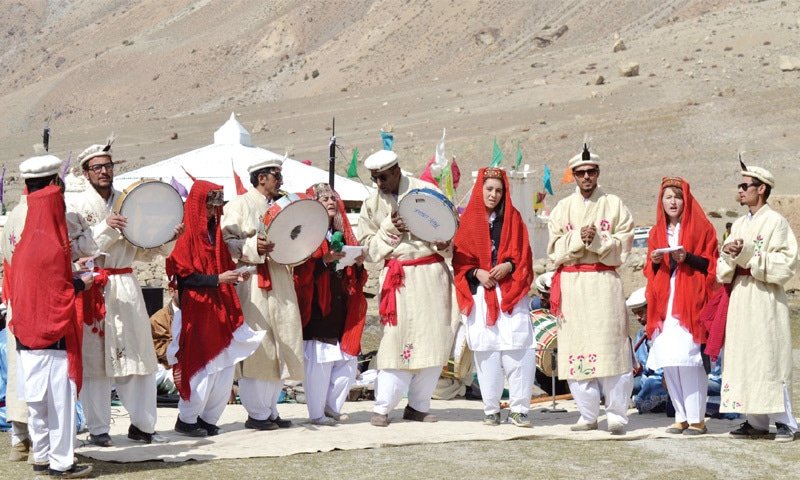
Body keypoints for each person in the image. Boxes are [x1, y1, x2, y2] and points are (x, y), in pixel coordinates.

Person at [66, 140, 183, 446]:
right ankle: (99, 430)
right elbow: (76, 250)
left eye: (108, 166)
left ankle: (144, 426)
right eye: (97, 167)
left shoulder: (130, 201)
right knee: (95, 365)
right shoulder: (75, 206)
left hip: (127, 287)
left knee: (140, 359)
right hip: (95, 288)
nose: (104, 171)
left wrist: (167, 237)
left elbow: (144, 250)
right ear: (85, 172)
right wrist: (107, 228)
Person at [1, 156, 97, 462]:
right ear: (54, 184)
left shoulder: (15, 215)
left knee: (27, 381)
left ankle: (26, 443)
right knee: (56, 389)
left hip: (23, 306)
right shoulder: (48, 218)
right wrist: (80, 282)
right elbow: (58, 266)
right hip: (49, 310)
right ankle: (56, 457)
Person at [357, 150, 459, 427]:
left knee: (435, 340)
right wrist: (391, 228)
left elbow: (451, 233)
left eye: (383, 177)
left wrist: (444, 244)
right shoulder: (370, 205)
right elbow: (368, 250)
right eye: (374, 178)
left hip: (432, 277)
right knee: (395, 342)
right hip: (399, 279)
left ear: (397, 170)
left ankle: (418, 406)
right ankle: (382, 407)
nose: (379, 183)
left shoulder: (428, 192)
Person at [547, 144, 634, 435]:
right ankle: (587, 412)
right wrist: (576, 239)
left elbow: (624, 247)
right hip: (573, 285)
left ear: (598, 173)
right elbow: (553, 251)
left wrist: (598, 240)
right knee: (577, 348)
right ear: (573, 175)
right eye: (580, 173)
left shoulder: (615, 205)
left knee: (610, 348)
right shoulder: (562, 209)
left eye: (591, 172)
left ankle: (617, 413)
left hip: (604, 283)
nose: (586, 177)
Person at [167, 181, 264, 437]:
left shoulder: (216, 235)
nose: (213, 211)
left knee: (224, 364)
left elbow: (219, 266)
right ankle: (187, 419)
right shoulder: (186, 236)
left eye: (216, 206)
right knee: (202, 363)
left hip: (219, 305)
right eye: (209, 206)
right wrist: (217, 280)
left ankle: (209, 418)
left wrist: (233, 277)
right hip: (197, 308)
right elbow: (185, 278)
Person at [221, 157, 304, 431]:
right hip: (253, 279)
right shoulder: (239, 205)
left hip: (279, 277)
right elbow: (227, 242)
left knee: (281, 339)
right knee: (258, 344)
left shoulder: (283, 206)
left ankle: (270, 409)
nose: (279, 179)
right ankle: (256, 412)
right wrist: (252, 245)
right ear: (260, 178)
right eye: (275, 174)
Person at [717, 163, 797, 442]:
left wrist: (748, 254)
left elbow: (787, 264)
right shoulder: (738, 224)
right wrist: (728, 254)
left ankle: (787, 422)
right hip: (741, 295)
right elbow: (723, 265)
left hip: (764, 298)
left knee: (769, 356)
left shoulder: (776, 223)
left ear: (760, 188)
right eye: (739, 186)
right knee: (743, 356)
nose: (739, 190)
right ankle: (755, 422)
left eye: (744, 186)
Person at [452, 167, 534, 427]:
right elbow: (460, 260)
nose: (494, 194)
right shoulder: (468, 223)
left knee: (518, 349)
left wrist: (508, 266)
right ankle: (491, 409)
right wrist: (478, 272)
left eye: (499, 190)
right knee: (487, 352)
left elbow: (524, 255)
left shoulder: (514, 219)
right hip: (482, 293)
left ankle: (520, 409)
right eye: (489, 189)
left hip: (510, 291)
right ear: (480, 189)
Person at [644, 177, 718, 435]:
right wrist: (655, 260)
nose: (673, 201)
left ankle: (697, 417)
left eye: (677, 196)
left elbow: (711, 265)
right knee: (670, 358)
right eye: (668, 197)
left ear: (685, 200)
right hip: (665, 301)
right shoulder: (656, 232)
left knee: (690, 358)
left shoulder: (703, 228)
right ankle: (680, 415)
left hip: (692, 298)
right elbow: (649, 271)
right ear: (661, 202)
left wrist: (688, 258)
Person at [293, 183, 367, 426]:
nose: (330, 202)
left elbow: (355, 275)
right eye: (324, 198)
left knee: (347, 360)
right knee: (319, 363)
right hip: (317, 306)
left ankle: (332, 407)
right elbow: (300, 272)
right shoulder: (307, 235)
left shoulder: (343, 234)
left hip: (340, 304)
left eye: (333, 198)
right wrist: (324, 261)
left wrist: (356, 261)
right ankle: (316, 413)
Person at [626, 287, 668, 414]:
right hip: (645, 377)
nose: (638, 318)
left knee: (651, 385)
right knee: (621, 385)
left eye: (641, 312)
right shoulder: (640, 333)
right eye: (635, 314)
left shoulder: (665, 330)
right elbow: (641, 364)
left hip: (663, 378)